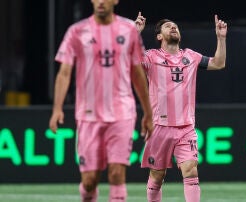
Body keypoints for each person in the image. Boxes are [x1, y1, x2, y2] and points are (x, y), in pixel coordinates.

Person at [49, 1, 154, 201]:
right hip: (88, 115)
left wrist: (148, 113)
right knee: (90, 181)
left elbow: (137, 74)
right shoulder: (77, 31)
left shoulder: (129, 30)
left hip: (122, 112)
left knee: (116, 174)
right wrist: (57, 108)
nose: (101, 1)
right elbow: (64, 73)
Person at [135, 12, 227, 202]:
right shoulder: (151, 57)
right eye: (168, 26)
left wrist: (221, 38)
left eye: (175, 25)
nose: (173, 27)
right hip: (159, 127)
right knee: (157, 176)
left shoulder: (191, 56)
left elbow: (218, 64)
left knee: (191, 170)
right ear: (159, 36)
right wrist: (135, 34)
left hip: (186, 126)